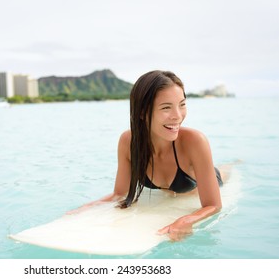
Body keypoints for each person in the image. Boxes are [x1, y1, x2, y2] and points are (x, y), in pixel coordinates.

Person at [68, 70, 228, 241]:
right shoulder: (128, 142)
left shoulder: (195, 141)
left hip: (207, 179)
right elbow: (119, 194)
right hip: (173, 189)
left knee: (228, 171)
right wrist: (86, 209)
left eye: (182, 104)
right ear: (142, 112)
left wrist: (186, 219)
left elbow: (213, 205)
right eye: (166, 107)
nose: (178, 116)